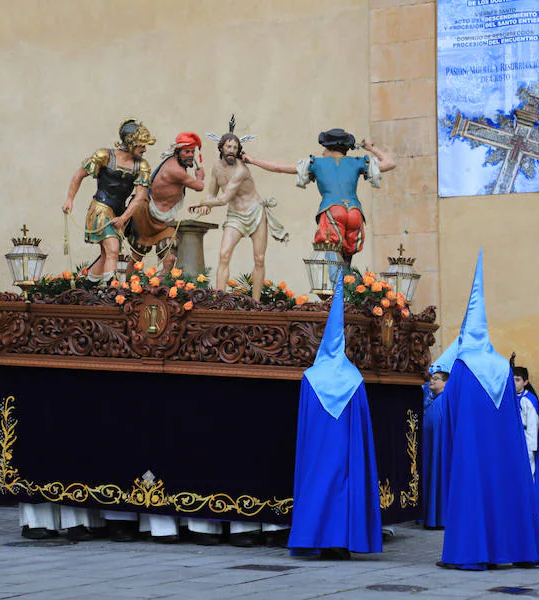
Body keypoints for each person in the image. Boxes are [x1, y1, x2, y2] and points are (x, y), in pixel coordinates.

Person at [437, 250, 539, 570]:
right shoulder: (502, 365)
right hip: (504, 448)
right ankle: (518, 550)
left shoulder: (460, 366)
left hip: (471, 449)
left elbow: (449, 409)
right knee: (508, 485)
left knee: (473, 490)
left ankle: (473, 553)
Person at [288, 274, 382, 560]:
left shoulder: (311, 377)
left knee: (317, 485)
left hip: (317, 449)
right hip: (344, 449)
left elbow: (304, 424)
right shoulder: (354, 377)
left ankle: (312, 537)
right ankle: (340, 541)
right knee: (342, 487)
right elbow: (362, 426)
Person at [244, 128, 394, 263]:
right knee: (347, 258)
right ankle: (347, 287)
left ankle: (334, 291)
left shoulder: (317, 163)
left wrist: (253, 160)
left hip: (332, 210)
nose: (322, 152)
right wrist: (371, 147)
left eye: (324, 148)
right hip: (354, 211)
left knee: (331, 258)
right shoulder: (357, 162)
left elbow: (279, 168)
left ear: (329, 147)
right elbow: (389, 163)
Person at [189, 120, 288, 301]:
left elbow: (224, 198)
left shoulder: (241, 170)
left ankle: (256, 303)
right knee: (224, 254)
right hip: (235, 216)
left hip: (255, 213)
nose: (232, 150)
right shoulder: (216, 169)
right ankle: (220, 300)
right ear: (221, 148)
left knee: (259, 258)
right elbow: (212, 195)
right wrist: (205, 206)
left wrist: (202, 202)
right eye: (229, 146)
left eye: (235, 147)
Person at [62, 118, 156, 284]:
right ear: (130, 143)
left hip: (120, 212)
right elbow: (79, 175)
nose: (145, 150)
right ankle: (111, 292)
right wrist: (70, 200)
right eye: (141, 145)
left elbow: (140, 197)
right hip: (101, 208)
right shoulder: (105, 156)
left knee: (107, 254)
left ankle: (86, 287)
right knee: (112, 249)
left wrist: (124, 218)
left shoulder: (141, 165)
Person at [124, 131, 205, 272]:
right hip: (146, 216)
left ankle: (161, 287)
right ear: (177, 153)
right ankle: (128, 287)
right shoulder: (176, 170)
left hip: (163, 220)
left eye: (192, 151)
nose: (191, 155)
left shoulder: (177, 165)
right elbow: (199, 187)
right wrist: (199, 177)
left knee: (170, 255)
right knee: (138, 255)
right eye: (187, 151)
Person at [514, 366, 539, 515]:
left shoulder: (528, 400)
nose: (514, 383)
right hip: (514, 441)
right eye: (511, 379)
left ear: (525, 382)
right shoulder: (510, 398)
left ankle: (528, 505)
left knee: (528, 472)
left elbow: (532, 426)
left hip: (526, 440)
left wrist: (531, 448)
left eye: (517, 380)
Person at [422, 369, 448, 529]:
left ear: (445, 383)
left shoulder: (444, 402)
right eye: (431, 378)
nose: (432, 381)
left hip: (439, 451)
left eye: (436, 379)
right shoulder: (434, 401)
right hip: (431, 449)